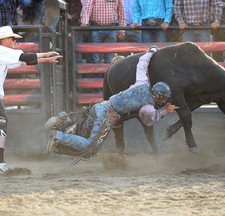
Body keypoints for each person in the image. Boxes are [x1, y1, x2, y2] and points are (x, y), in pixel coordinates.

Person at [44, 46, 178, 159]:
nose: (165, 101)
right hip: (107, 116)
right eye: (164, 99)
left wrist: (152, 51)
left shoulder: (142, 82)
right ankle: (59, 137)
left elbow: (142, 63)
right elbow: (150, 120)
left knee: (82, 132)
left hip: (99, 107)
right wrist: (165, 110)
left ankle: (65, 119)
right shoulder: (147, 107)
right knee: (89, 148)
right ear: (158, 97)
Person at [0, 26, 63, 173]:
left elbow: (24, 62)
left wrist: (46, 59)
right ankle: (0, 163)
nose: (14, 41)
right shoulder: (2, 51)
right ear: (3, 39)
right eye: (11, 38)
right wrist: (46, 54)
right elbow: (24, 58)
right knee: (1, 127)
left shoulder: (4, 55)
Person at [80, 0, 126, 64]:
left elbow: (121, 13)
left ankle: (107, 74)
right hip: (96, 28)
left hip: (111, 28)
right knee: (96, 58)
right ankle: (98, 73)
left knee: (110, 59)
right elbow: (87, 8)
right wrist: (85, 21)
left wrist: (122, 30)